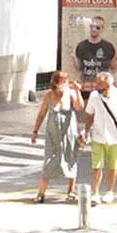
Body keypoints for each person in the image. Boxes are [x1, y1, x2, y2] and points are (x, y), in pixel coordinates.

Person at [30, 70, 81, 203]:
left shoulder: (70, 94)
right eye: (62, 82)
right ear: (56, 83)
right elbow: (42, 114)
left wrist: (78, 91)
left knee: (70, 157)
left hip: (68, 132)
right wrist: (35, 131)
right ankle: (41, 192)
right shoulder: (49, 95)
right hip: (53, 133)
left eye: (66, 82)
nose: (64, 85)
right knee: (49, 160)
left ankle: (71, 190)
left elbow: (80, 107)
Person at [83, 71, 117, 204]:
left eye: (100, 84)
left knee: (113, 165)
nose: (97, 86)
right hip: (98, 135)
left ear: (108, 84)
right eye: (97, 83)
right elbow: (89, 115)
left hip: (114, 137)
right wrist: (86, 132)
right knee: (97, 166)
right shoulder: (94, 96)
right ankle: (96, 192)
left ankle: (110, 191)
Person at [74, 16, 117, 84]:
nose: (94, 29)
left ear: (102, 29)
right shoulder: (81, 46)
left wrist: (116, 57)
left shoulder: (108, 46)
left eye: (97, 27)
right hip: (86, 84)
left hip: (103, 85)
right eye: (92, 26)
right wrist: (72, 56)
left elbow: (113, 68)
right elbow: (78, 68)